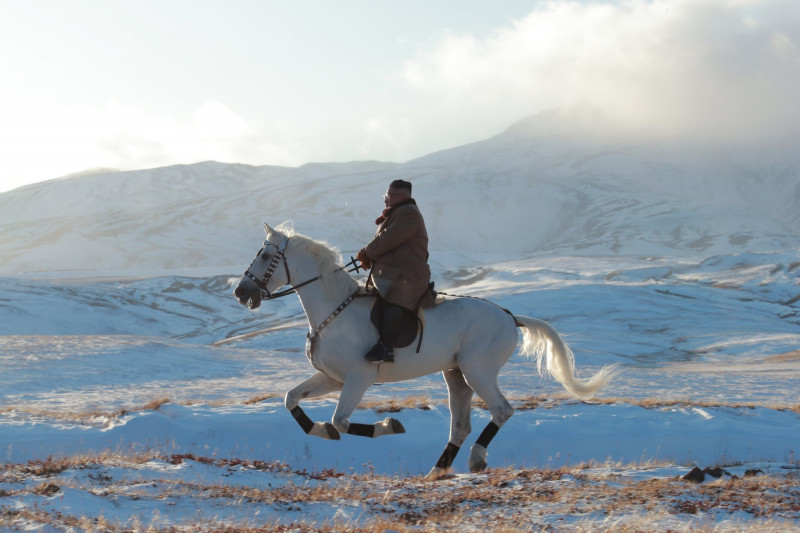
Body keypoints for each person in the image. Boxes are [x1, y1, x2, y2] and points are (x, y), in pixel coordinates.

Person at [356, 179, 432, 363]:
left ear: (402, 196)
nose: (385, 200)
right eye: (386, 195)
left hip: (408, 276)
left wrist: (367, 253)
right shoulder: (398, 213)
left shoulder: (408, 214)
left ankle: (386, 348)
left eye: (389, 196)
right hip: (394, 273)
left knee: (394, 300)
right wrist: (370, 258)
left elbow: (388, 239)